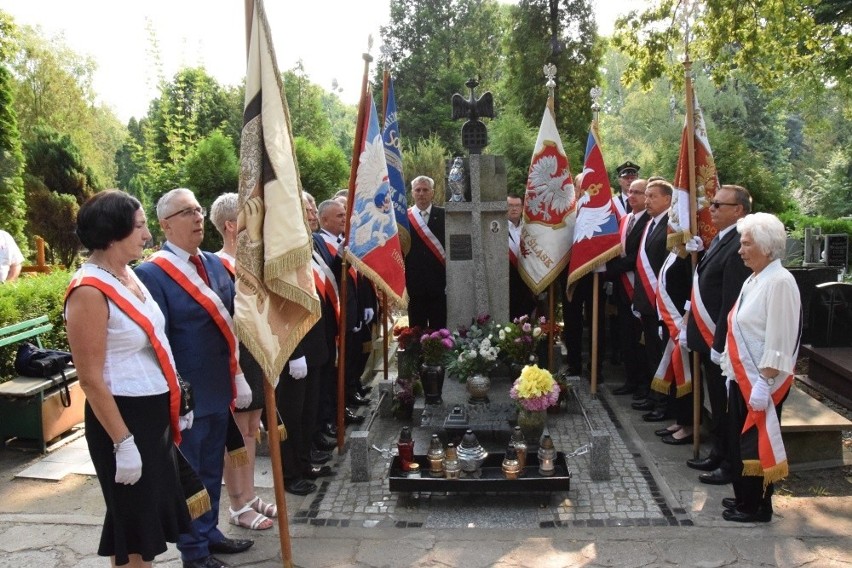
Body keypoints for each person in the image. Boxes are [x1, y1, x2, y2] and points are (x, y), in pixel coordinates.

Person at [66, 190, 192, 567]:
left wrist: (178, 397)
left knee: (145, 527)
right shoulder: (89, 290)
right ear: (113, 230)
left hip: (150, 417)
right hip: (122, 420)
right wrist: (123, 442)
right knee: (134, 532)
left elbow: (155, 345)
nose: (148, 235)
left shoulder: (127, 276)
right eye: (139, 226)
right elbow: (90, 379)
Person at [136, 188, 253, 568]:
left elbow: (234, 320)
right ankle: (194, 553)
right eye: (186, 212)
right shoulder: (152, 274)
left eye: (199, 210)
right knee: (191, 478)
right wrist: (176, 396)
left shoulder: (216, 265)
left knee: (212, 470)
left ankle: (210, 533)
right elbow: (157, 342)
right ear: (165, 225)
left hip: (220, 388)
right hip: (186, 397)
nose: (198, 217)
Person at [719, 212, 801, 523]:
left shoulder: (780, 281)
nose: (740, 250)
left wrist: (764, 381)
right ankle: (744, 495)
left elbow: (780, 336)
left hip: (761, 379)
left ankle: (756, 506)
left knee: (756, 441)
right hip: (742, 376)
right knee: (739, 440)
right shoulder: (755, 277)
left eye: (746, 243)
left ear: (766, 247)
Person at [208, 193, 275, 530]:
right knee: (235, 433)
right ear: (232, 226)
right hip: (234, 359)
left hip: (256, 354)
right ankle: (237, 505)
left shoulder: (251, 263)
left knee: (252, 428)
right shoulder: (216, 266)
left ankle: (249, 494)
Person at [683, 185, 752, 485]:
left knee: (725, 405)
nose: (710, 209)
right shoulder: (721, 239)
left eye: (717, 205)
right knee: (715, 398)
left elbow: (730, 301)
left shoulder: (740, 243)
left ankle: (727, 462)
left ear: (737, 210)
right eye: (711, 204)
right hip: (708, 334)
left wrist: (720, 341)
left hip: (720, 339)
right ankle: (717, 450)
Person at [631, 179, 673, 421]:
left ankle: (662, 403)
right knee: (651, 353)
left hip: (661, 302)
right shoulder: (651, 223)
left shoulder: (671, 226)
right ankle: (653, 394)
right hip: (647, 302)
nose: (647, 201)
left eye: (652, 196)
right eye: (645, 196)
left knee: (661, 354)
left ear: (667, 199)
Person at [607, 178, 651, 395]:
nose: (632, 196)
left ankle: (644, 383)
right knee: (626, 338)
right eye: (630, 191)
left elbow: (637, 257)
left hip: (641, 289)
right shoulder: (625, 220)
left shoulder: (649, 222)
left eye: (638, 192)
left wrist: (611, 269)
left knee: (640, 339)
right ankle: (630, 380)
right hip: (622, 289)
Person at [405, 175, 446, 329]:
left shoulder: (444, 215)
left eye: (425, 190)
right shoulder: (404, 218)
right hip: (414, 284)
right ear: (412, 193)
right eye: (418, 190)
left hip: (439, 283)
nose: (421, 193)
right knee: (416, 331)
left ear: (432, 193)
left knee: (439, 328)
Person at [507, 194, 536, 320]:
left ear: (522, 207)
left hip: (526, 282)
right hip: (508, 283)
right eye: (510, 205)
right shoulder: (498, 229)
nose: (514, 209)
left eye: (517, 205)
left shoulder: (528, 229)